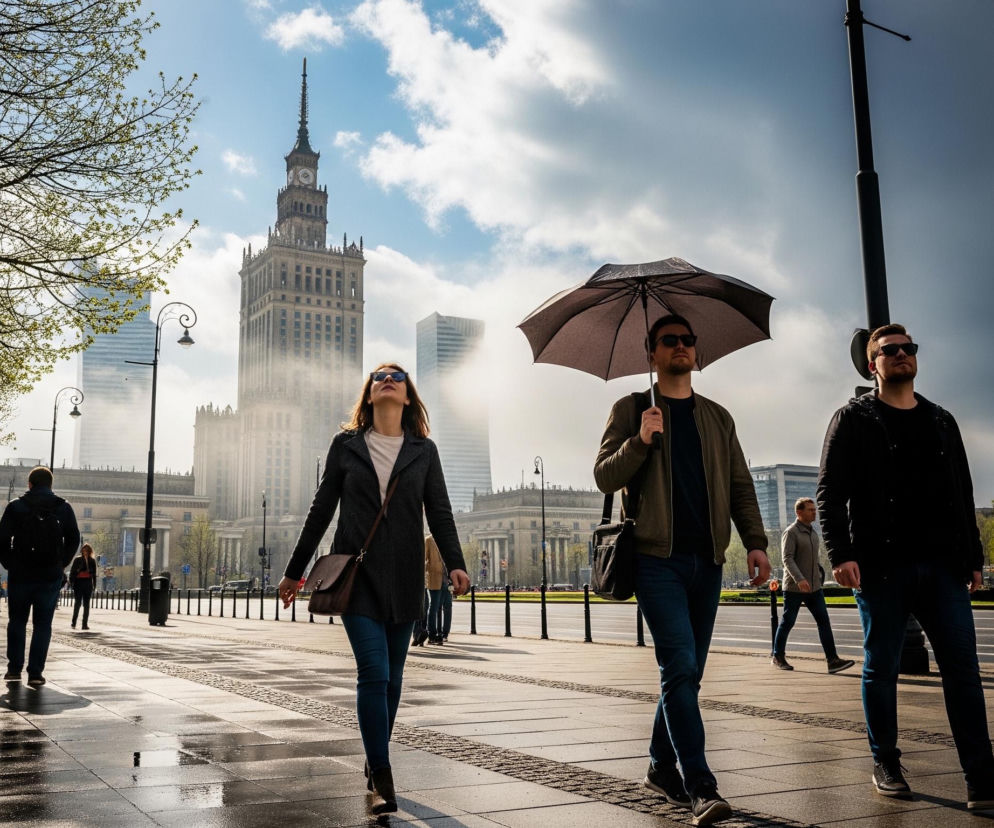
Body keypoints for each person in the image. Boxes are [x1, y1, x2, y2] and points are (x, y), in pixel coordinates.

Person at [595, 314, 770, 826]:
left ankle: (658, 765)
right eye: (669, 341)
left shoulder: (717, 417)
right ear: (651, 353)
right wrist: (640, 441)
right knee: (679, 667)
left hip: (708, 560)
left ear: (697, 351)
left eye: (688, 340)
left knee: (687, 673)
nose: (681, 347)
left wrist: (755, 543)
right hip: (655, 559)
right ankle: (700, 784)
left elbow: (740, 484)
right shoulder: (631, 409)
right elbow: (604, 475)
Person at [277, 363, 470, 815]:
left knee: (395, 677)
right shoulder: (346, 446)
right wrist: (294, 570)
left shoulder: (424, 450)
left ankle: (373, 753)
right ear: (368, 394)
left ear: (407, 396)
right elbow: (320, 510)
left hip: (405, 577)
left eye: (397, 376)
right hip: (356, 578)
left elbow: (439, 512)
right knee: (374, 671)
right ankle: (383, 774)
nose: (388, 379)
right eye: (379, 375)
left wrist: (456, 564)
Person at [818, 323, 994, 808]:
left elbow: (963, 492)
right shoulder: (853, 418)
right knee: (882, 668)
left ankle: (981, 778)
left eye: (908, 348)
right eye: (889, 350)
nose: (901, 355)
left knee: (963, 671)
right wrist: (841, 553)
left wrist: (974, 558)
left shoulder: (941, 420)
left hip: (943, 565)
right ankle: (886, 762)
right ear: (871, 364)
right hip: (881, 565)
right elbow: (830, 494)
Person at [0, 466, 80, 686]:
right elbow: (74, 539)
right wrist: (60, 564)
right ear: (50, 485)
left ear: (30, 484)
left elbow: (2, 540)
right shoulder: (63, 508)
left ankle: (14, 669)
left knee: (17, 621)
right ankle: (35, 673)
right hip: (49, 576)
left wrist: (11, 564)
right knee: (43, 624)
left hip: (21, 574)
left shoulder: (16, 506)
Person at [771, 498, 855, 674]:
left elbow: (813, 561)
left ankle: (832, 661)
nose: (814, 512)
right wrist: (800, 579)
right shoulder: (791, 532)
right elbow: (787, 558)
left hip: (814, 588)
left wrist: (819, 576)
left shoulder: (813, 533)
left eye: (814, 509)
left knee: (824, 621)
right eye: (810, 510)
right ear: (799, 512)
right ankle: (778, 656)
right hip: (795, 588)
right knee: (788, 622)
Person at [69, 543, 97, 630]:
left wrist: (94, 585)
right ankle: (74, 622)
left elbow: (94, 574)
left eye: (87, 551)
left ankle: (84, 624)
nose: (85, 552)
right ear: (82, 551)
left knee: (87, 605)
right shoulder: (77, 560)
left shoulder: (92, 561)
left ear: (89, 551)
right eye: (84, 550)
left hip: (88, 583)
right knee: (77, 603)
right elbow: (72, 572)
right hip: (79, 583)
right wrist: (72, 582)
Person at [425, 534, 446, 644]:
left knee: (440, 608)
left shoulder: (444, 538)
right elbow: (424, 560)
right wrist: (431, 569)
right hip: (433, 578)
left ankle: (440, 633)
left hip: (445, 579)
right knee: (433, 607)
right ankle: (431, 634)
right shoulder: (428, 540)